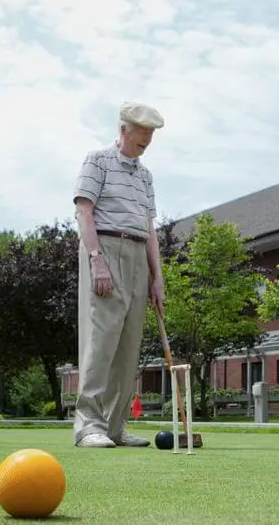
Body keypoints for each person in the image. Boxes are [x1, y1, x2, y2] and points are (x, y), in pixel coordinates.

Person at [70, 102, 167, 448]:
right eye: (142, 136)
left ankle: (114, 426)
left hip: (138, 252)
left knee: (129, 345)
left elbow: (150, 228)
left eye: (151, 137)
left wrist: (157, 276)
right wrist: (97, 259)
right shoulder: (97, 160)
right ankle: (87, 426)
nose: (147, 143)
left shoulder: (146, 176)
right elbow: (84, 211)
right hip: (106, 248)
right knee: (101, 340)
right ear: (124, 129)